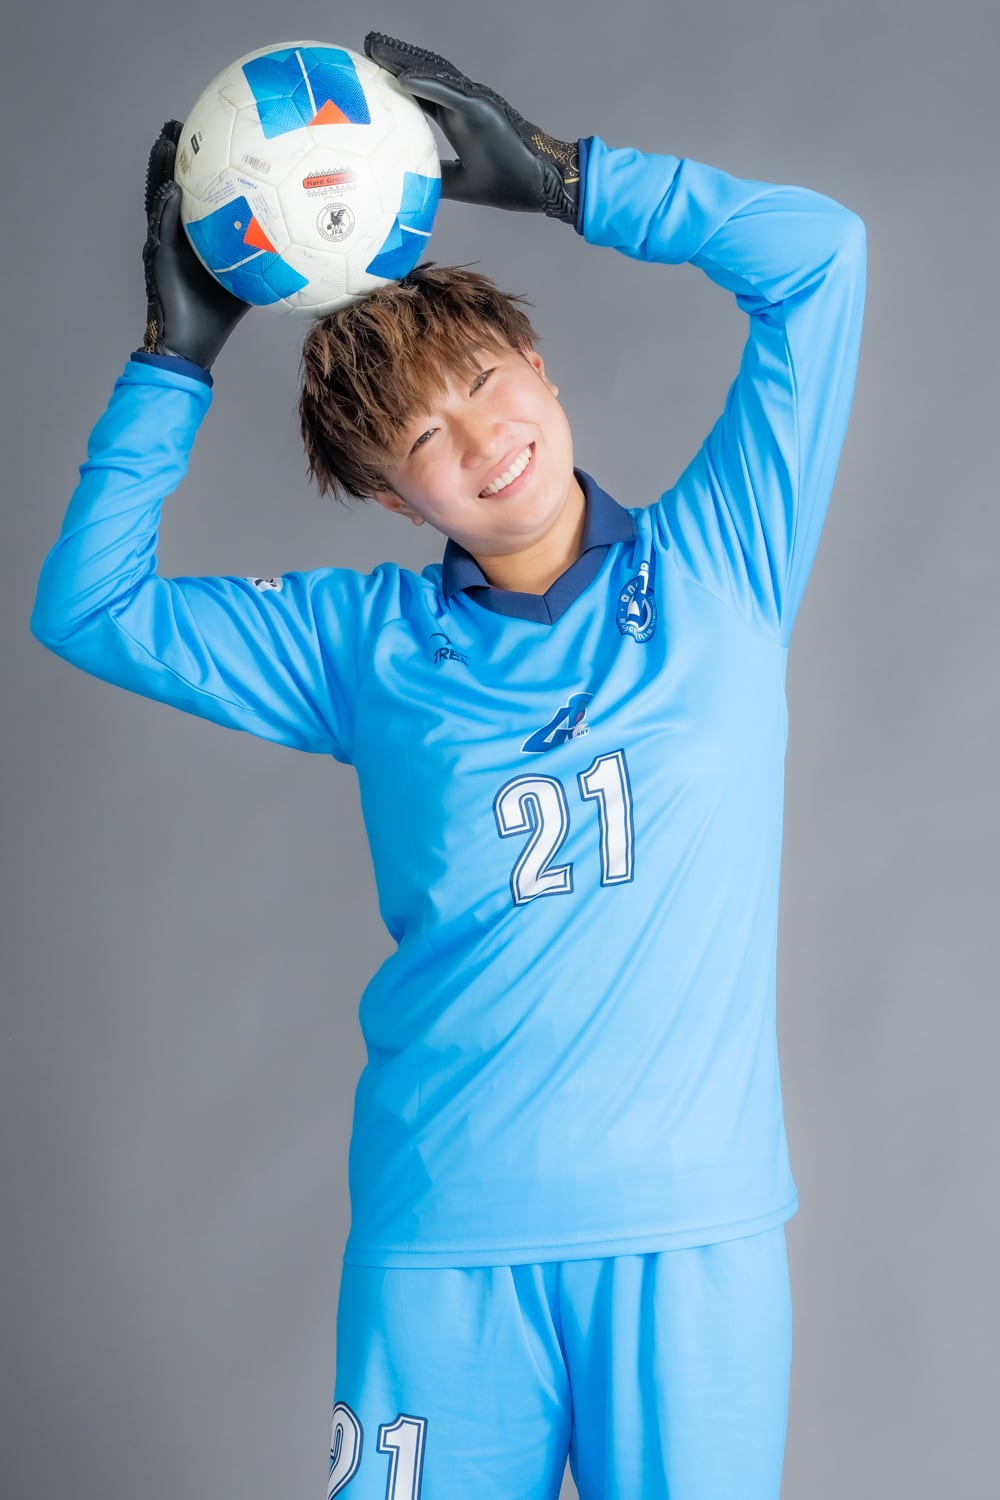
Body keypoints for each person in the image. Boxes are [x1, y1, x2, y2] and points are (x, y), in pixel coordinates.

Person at [31, 32, 867, 1500]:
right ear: (384, 495)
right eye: (424, 434)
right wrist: (174, 361)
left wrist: (561, 179)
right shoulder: (363, 646)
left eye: (485, 379)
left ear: (537, 362)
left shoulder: (725, 562)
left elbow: (821, 260)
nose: (484, 440)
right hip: (444, 1239)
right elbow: (87, 606)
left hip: (689, 1234)